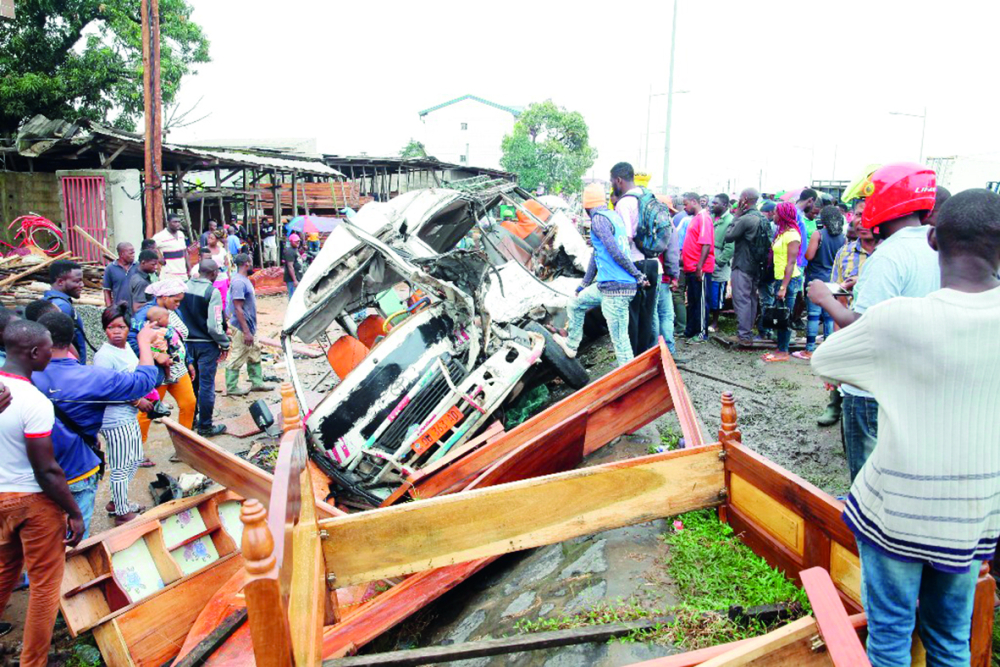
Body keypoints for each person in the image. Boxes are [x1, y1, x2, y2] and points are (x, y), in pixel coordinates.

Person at [811, 188, 1000, 666]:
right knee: (950, 641)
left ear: (933, 239)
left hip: (896, 509)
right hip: (971, 515)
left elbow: (825, 361)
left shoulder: (898, 319)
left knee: (890, 637)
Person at [808, 162, 939, 481]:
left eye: (865, 202)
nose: (858, 212)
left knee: (868, 481)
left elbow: (865, 327)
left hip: (871, 390)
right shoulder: (932, 245)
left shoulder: (888, 256)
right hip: (911, 381)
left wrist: (825, 297)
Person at [33, 312, 161, 538]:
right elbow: (143, 382)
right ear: (72, 337)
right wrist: (144, 342)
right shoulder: (93, 375)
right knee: (75, 541)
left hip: (35, 474)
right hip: (77, 470)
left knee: (41, 544)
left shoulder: (20, 376)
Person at [0, 320, 82, 667]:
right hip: (33, 502)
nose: (54, 353)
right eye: (50, 348)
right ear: (35, 353)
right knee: (45, 588)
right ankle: (33, 662)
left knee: (4, 571)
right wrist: (73, 512)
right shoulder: (32, 401)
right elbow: (46, 470)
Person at [553, 184, 646, 367]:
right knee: (575, 304)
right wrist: (583, 285)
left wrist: (638, 275)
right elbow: (597, 256)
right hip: (606, 286)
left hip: (617, 290)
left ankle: (630, 381)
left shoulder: (597, 220)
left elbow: (615, 252)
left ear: (586, 206)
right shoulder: (613, 217)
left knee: (620, 341)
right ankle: (572, 345)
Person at [93, 305, 160, 524]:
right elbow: (106, 388)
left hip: (129, 415)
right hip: (115, 418)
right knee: (121, 466)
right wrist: (137, 400)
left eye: (121, 326)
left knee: (134, 459)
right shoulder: (104, 356)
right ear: (105, 330)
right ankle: (121, 512)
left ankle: (117, 501)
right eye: (111, 327)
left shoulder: (125, 349)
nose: (117, 331)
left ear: (128, 328)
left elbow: (135, 374)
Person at [131, 281, 196, 441]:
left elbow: (179, 338)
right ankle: (137, 452)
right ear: (165, 297)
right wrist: (156, 355)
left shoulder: (174, 312)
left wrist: (188, 361)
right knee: (148, 411)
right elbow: (133, 341)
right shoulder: (146, 314)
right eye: (176, 301)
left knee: (189, 403)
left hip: (178, 367)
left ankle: (185, 444)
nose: (178, 304)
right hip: (157, 371)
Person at [610, 162, 661, 355]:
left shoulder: (624, 202)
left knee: (631, 317)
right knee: (646, 316)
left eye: (612, 181)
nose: (612, 185)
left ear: (619, 180)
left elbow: (625, 238)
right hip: (653, 263)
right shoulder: (648, 198)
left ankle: (632, 360)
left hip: (634, 264)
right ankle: (644, 356)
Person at [178, 260, 230, 437]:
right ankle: (205, 426)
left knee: (191, 383)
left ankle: (191, 419)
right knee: (206, 386)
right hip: (206, 344)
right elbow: (214, 325)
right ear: (214, 273)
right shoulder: (211, 292)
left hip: (185, 343)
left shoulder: (184, 287)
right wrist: (224, 343)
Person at [794, 205, 847, 360]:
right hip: (833, 280)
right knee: (829, 315)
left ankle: (809, 350)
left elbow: (809, 256)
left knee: (813, 315)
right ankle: (828, 350)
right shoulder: (842, 237)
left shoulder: (819, 234)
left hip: (816, 278)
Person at [226, 253, 273, 395]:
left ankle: (257, 382)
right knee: (238, 354)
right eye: (251, 262)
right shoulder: (239, 283)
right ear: (247, 263)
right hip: (242, 326)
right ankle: (232, 386)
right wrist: (246, 331)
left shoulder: (244, 280)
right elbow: (238, 308)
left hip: (249, 325)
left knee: (254, 351)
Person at [762, 202, 802, 362]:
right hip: (781, 278)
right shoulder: (782, 233)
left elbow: (791, 263)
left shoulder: (792, 235)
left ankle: (783, 352)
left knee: (785, 316)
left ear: (784, 215)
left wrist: (784, 286)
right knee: (780, 315)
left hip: (789, 280)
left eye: (777, 213)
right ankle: (779, 348)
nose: (774, 215)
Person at [725, 188, 765, 345]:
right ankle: (747, 332)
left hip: (743, 263)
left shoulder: (745, 219)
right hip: (757, 265)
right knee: (751, 299)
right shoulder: (762, 218)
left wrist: (735, 217)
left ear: (745, 199)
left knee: (741, 299)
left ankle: (744, 335)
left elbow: (728, 236)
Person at [680, 192, 715, 341]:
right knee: (693, 301)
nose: (684, 207)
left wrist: (700, 267)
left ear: (694, 202)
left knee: (701, 302)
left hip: (700, 268)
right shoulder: (694, 219)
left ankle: (702, 333)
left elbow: (706, 243)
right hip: (691, 267)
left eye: (686, 203)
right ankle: (691, 329)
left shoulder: (704, 218)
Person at [44, 259, 88, 363]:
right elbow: (59, 342)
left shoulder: (49, 302)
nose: (82, 285)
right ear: (60, 282)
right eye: (77, 281)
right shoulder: (62, 306)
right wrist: (77, 363)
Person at [709, 194, 735, 332]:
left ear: (724, 205)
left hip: (719, 264)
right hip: (708, 261)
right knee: (708, 292)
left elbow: (730, 246)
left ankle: (715, 322)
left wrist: (719, 261)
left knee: (717, 293)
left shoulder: (730, 221)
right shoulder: (711, 218)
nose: (712, 205)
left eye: (715, 203)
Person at [670, 207, 690, 336]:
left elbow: (679, 245)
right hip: (695, 263)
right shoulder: (701, 219)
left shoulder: (683, 220)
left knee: (677, 294)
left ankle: (681, 326)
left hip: (682, 263)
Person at [153, 214, 191, 281]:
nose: (178, 224)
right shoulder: (160, 236)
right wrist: (158, 259)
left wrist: (189, 269)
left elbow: (185, 252)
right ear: (168, 223)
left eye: (179, 222)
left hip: (182, 274)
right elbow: (148, 248)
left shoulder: (181, 234)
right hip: (169, 275)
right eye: (175, 222)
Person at [102, 242, 136, 307]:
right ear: (122, 254)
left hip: (136, 309)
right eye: (131, 253)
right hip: (119, 309)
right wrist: (109, 309)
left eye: (133, 253)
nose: (133, 255)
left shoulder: (138, 266)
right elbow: (107, 290)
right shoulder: (110, 268)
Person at [207, 229, 231, 311]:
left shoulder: (222, 250)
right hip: (210, 280)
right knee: (211, 300)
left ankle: (222, 316)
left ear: (217, 240)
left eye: (211, 238)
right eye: (209, 238)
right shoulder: (205, 250)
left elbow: (226, 264)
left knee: (223, 299)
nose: (209, 239)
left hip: (222, 278)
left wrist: (229, 277)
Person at [283, 233, 304, 299]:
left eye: (298, 241)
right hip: (291, 279)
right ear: (291, 242)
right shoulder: (289, 251)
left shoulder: (295, 250)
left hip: (298, 276)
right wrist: (294, 280)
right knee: (292, 297)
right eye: (296, 241)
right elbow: (290, 266)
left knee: (297, 296)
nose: (298, 242)